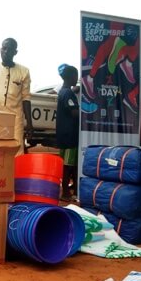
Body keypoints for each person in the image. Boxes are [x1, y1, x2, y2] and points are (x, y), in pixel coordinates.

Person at [0, 38, 33, 155]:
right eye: (4, 48)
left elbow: (26, 98)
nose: (6, 51)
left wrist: (29, 123)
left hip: (15, 119)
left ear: (15, 52)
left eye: (10, 49)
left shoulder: (24, 71)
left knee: (16, 150)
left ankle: (15, 173)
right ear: (0, 49)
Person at [56, 64, 80, 200]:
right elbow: (74, 112)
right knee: (69, 166)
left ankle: (66, 191)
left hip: (63, 135)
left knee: (65, 165)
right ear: (71, 77)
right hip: (70, 136)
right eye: (76, 76)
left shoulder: (62, 91)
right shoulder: (68, 93)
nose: (76, 79)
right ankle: (66, 193)